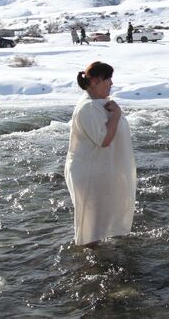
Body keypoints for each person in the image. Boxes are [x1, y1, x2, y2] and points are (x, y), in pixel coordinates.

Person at [64, 61, 137, 246]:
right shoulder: (87, 107)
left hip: (99, 169)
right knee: (90, 225)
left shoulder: (99, 103)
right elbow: (104, 140)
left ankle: (96, 258)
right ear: (95, 81)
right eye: (108, 79)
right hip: (89, 172)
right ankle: (87, 265)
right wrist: (117, 114)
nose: (111, 83)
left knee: (99, 221)